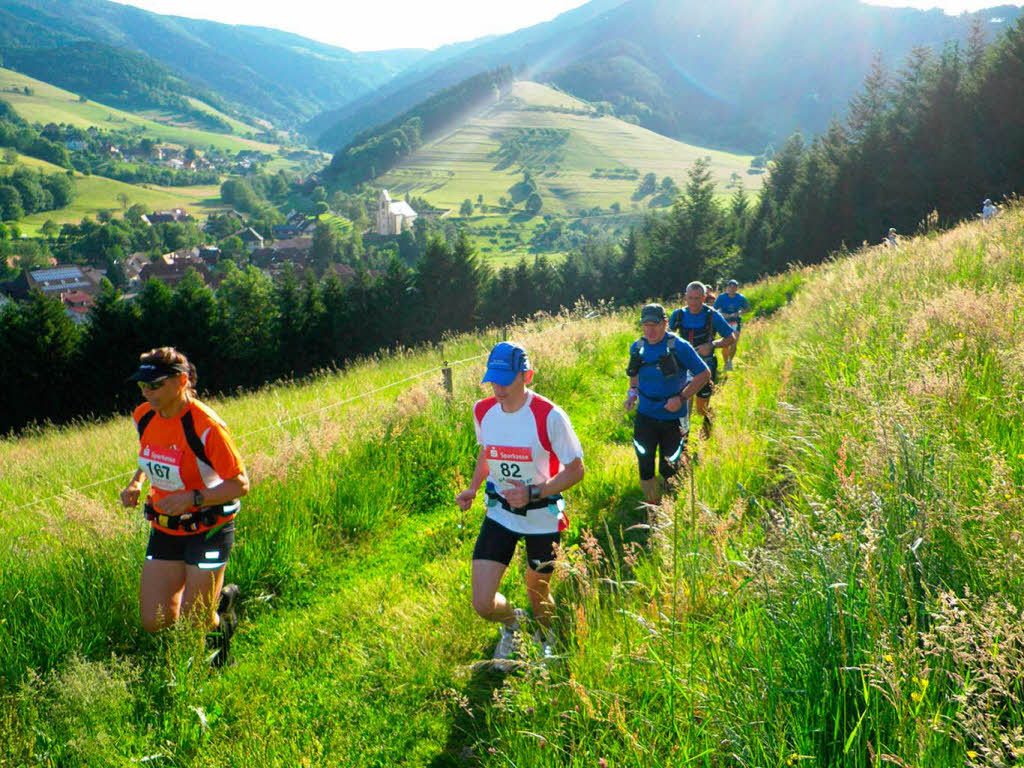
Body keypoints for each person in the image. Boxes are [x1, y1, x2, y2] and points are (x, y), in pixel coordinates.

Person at [120, 347, 249, 667]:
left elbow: (240, 484)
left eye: (154, 385)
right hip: (165, 527)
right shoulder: (144, 415)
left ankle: (221, 634)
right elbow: (153, 454)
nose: (147, 392)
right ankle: (215, 609)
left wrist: (194, 499)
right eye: (143, 386)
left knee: (196, 621)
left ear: (181, 381)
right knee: (155, 620)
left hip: (210, 528)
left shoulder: (206, 426)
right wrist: (137, 481)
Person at [455, 342, 585, 660]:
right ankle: (515, 625)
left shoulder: (549, 415)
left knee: (537, 591)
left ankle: (546, 636)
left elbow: (577, 470)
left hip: (542, 516)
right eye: (493, 379)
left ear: (526, 375)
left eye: (506, 379)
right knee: (482, 603)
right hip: (500, 513)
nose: (498, 388)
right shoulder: (482, 411)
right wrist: (473, 488)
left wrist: (533, 493)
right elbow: (487, 451)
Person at [625, 303, 710, 504]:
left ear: (665, 323)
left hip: (673, 418)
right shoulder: (637, 347)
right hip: (645, 416)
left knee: (670, 466)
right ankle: (653, 509)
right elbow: (634, 374)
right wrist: (632, 393)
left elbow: (704, 374)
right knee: (645, 464)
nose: (650, 330)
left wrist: (681, 398)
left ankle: (671, 509)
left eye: (654, 324)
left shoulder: (679, 346)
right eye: (645, 325)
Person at [669, 282, 736, 440]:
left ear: (704, 298)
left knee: (701, 409)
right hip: (682, 367)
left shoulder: (712, 315)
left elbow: (730, 338)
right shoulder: (678, 315)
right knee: (683, 405)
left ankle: (708, 423)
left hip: (705, 367)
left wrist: (712, 345)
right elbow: (668, 337)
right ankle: (683, 443)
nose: (693, 302)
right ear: (685, 296)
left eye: (697, 298)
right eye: (690, 298)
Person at [713, 279, 750, 371]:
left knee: (734, 341)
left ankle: (730, 362)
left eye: (735, 287)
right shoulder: (721, 297)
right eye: (730, 287)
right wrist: (722, 314)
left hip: (736, 322)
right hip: (724, 322)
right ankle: (726, 363)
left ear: (737, 288)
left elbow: (747, 309)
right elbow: (714, 309)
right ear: (727, 287)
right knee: (726, 343)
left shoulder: (741, 298)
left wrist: (739, 313)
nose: (732, 289)